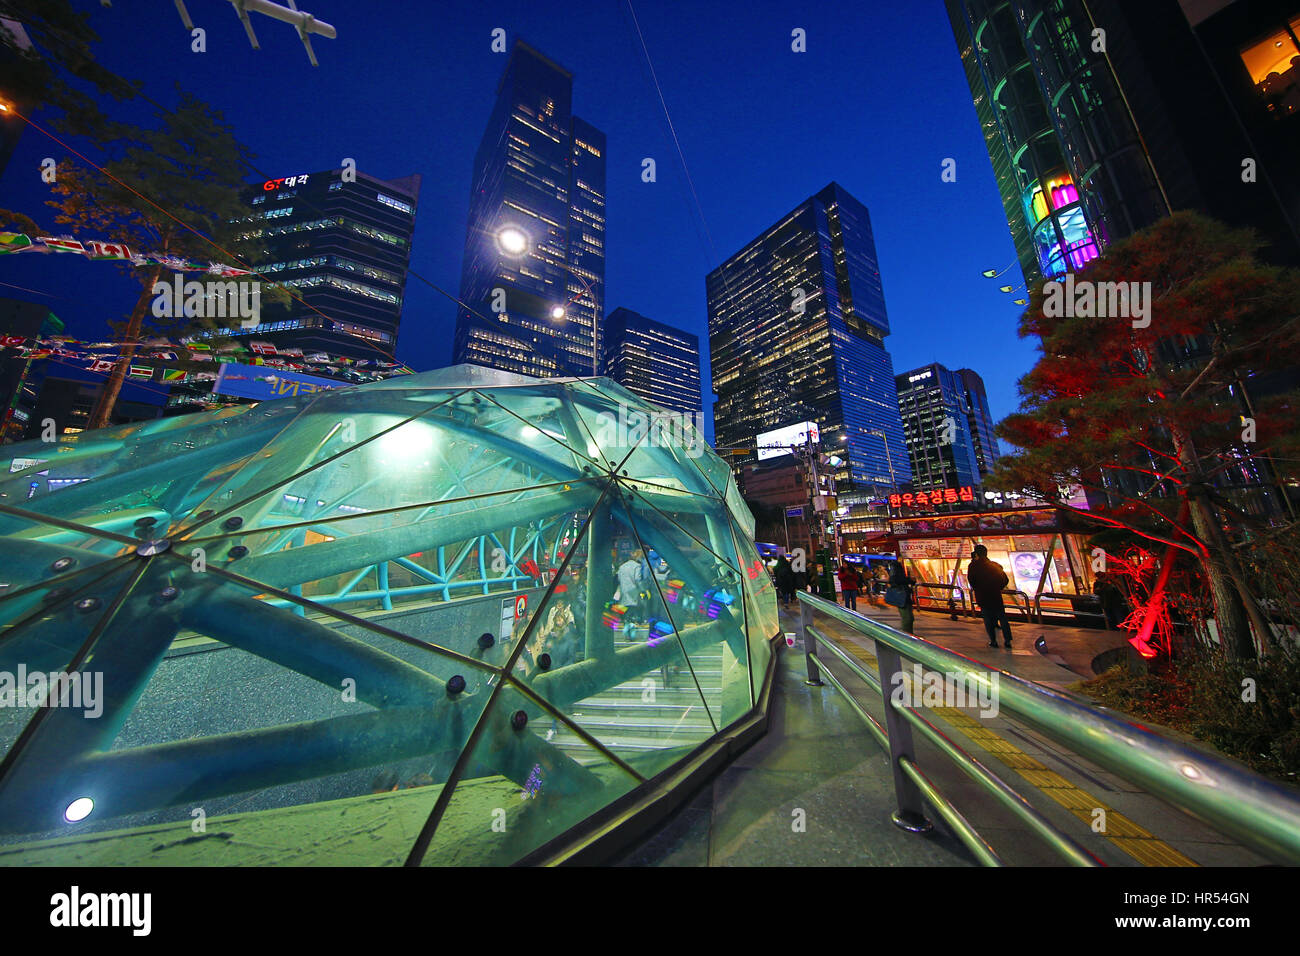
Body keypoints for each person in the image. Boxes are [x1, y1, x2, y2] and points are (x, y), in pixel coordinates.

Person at [966, 544, 1013, 648]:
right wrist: (997, 588)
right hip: (995, 595)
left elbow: (971, 581)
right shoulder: (994, 565)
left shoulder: (973, 566)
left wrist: (979, 589)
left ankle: (993, 640)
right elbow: (1005, 579)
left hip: (983, 596)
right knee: (1002, 618)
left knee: (988, 619)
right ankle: (1008, 640)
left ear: (976, 553)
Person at [888, 561, 916, 633]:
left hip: (904, 596)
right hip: (902, 597)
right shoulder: (895, 568)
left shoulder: (896, 569)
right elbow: (895, 580)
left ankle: (909, 633)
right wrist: (909, 580)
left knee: (909, 617)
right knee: (907, 618)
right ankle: (907, 634)